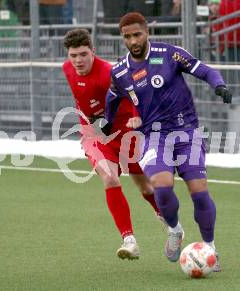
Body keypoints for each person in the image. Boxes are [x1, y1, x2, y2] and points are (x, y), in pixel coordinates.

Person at [106, 12, 232, 271]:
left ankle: (210, 247)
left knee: (199, 193)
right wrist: (106, 122)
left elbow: (203, 69)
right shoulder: (120, 71)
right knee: (161, 187)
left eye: (137, 34)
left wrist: (218, 85)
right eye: (127, 37)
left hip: (187, 133)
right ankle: (175, 230)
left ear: (147, 32)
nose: (133, 41)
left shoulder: (170, 53)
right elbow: (112, 98)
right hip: (154, 135)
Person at [62, 28, 165, 260]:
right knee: (109, 177)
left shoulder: (110, 73)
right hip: (94, 134)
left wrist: (138, 115)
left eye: (83, 54)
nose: (78, 60)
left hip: (125, 130)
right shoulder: (67, 69)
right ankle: (129, 241)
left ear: (93, 52)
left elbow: (139, 92)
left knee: (146, 188)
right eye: (73, 55)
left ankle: (165, 217)